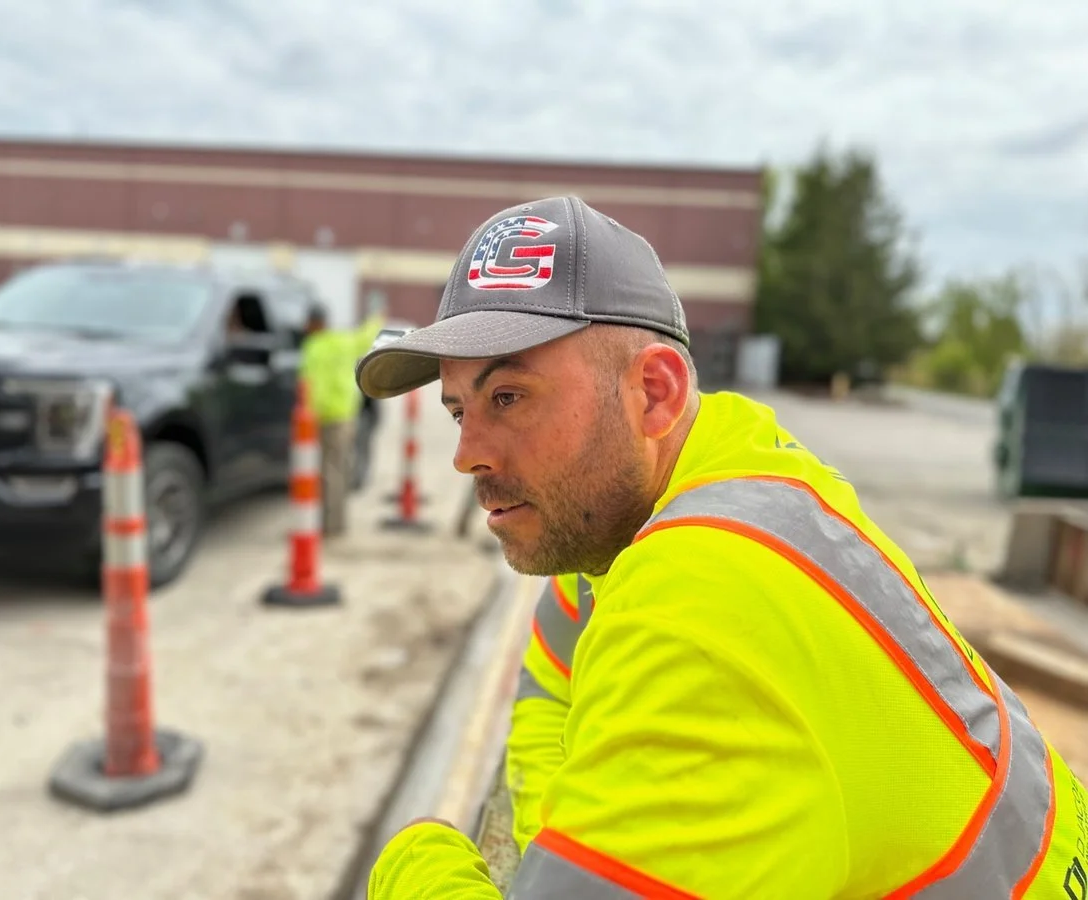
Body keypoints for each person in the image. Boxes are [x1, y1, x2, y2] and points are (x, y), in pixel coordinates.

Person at [354, 195, 1085, 898]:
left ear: (656, 393)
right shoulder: (730, 472)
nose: (467, 455)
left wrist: (411, 856)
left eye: (507, 397)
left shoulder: (700, 605)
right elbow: (553, 661)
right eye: (458, 411)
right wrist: (574, 836)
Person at [299, 298, 383, 537]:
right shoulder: (342, 342)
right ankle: (333, 521)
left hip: (324, 418)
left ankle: (331, 525)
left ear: (315, 323)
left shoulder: (313, 346)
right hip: (344, 416)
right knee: (336, 470)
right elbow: (367, 337)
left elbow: (307, 385)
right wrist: (376, 315)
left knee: (328, 472)